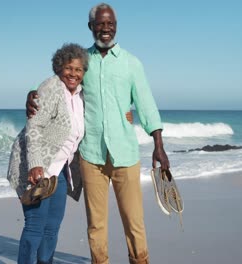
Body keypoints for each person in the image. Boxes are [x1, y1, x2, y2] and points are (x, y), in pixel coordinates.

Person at [27, 3, 170, 263]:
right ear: (91, 27)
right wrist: (31, 94)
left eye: (110, 23)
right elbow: (60, 83)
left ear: (116, 26)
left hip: (125, 154)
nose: (106, 28)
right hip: (91, 155)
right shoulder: (83, 61)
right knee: (96, 224)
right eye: (101, 24)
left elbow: (146, 105)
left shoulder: (131, 63)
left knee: (134, 221)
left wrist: (158, 145)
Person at [7, 43, 88, 264]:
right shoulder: (51, 88)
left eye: (78, 69)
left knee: (52, 228)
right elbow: (33, 127)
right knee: (35, 227)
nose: (73, 74)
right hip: (36, 168)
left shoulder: (81, 95)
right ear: (59, 68)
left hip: (59, 171)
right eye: (68, 68)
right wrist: (35, 164)